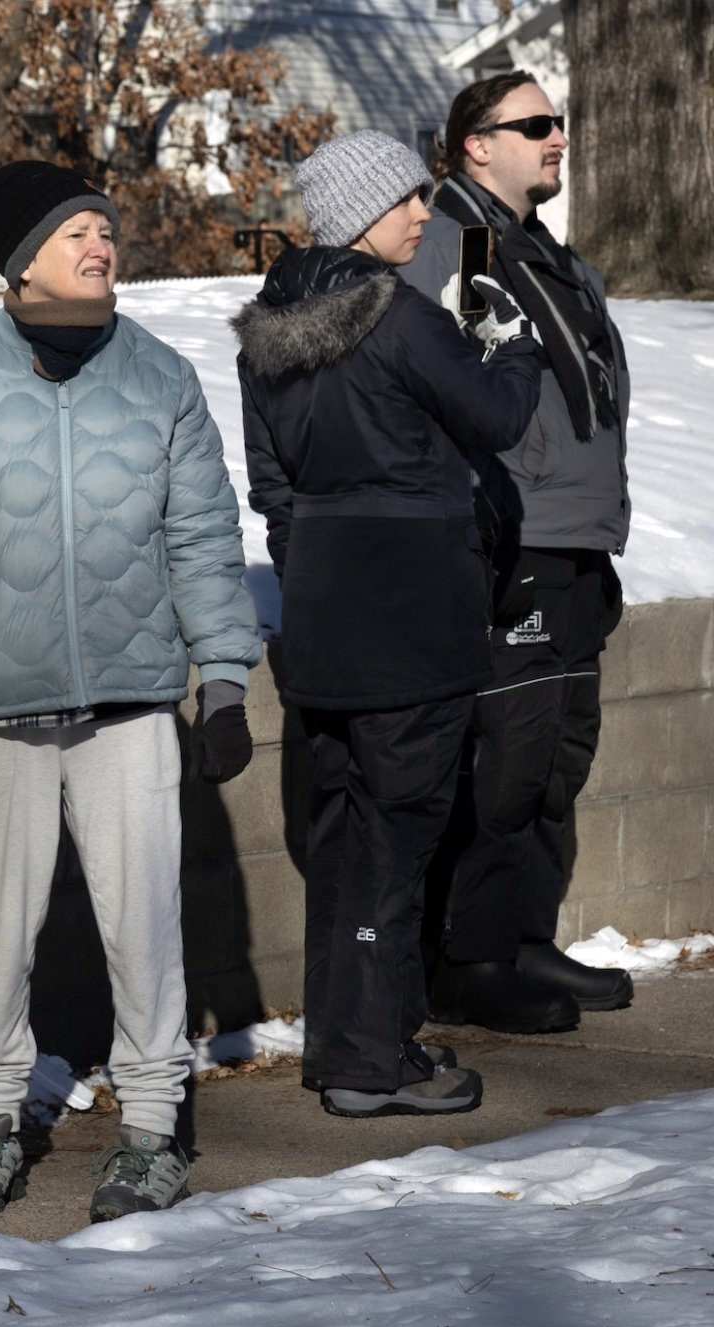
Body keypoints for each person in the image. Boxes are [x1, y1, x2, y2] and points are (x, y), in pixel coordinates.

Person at [0, 162, 260, 1221]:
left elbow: (202, 539)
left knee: (145, 930)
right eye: (76, 228)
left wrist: (221, 679)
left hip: (129, 708)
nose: (100, 243)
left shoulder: (159, 380)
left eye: (105, 227)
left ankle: (146, 1131)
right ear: (18, 256)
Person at [233, 129, 541, 1117]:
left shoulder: (268, 326)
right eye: (405, 198)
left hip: (322, 614)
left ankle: (344, 1047)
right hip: (411, 611)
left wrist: (316, 565)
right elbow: (492, 418)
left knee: (339, 833)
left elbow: (272, 489)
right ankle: (371, 1062)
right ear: (358, 212)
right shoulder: (398, 317)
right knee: (396, 833)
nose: (422, 213)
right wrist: (511, 348)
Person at [396, 73, 635, 1034]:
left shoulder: (541, 250)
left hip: (577, 537)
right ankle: (472, 958)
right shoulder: (456, 245)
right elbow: (435, 386)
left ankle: (525, 935)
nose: (558, 137)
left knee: (558, 755)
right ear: (473, 145)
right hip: (512, 533)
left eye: (559, 121)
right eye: (535, 124)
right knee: (509, 757)